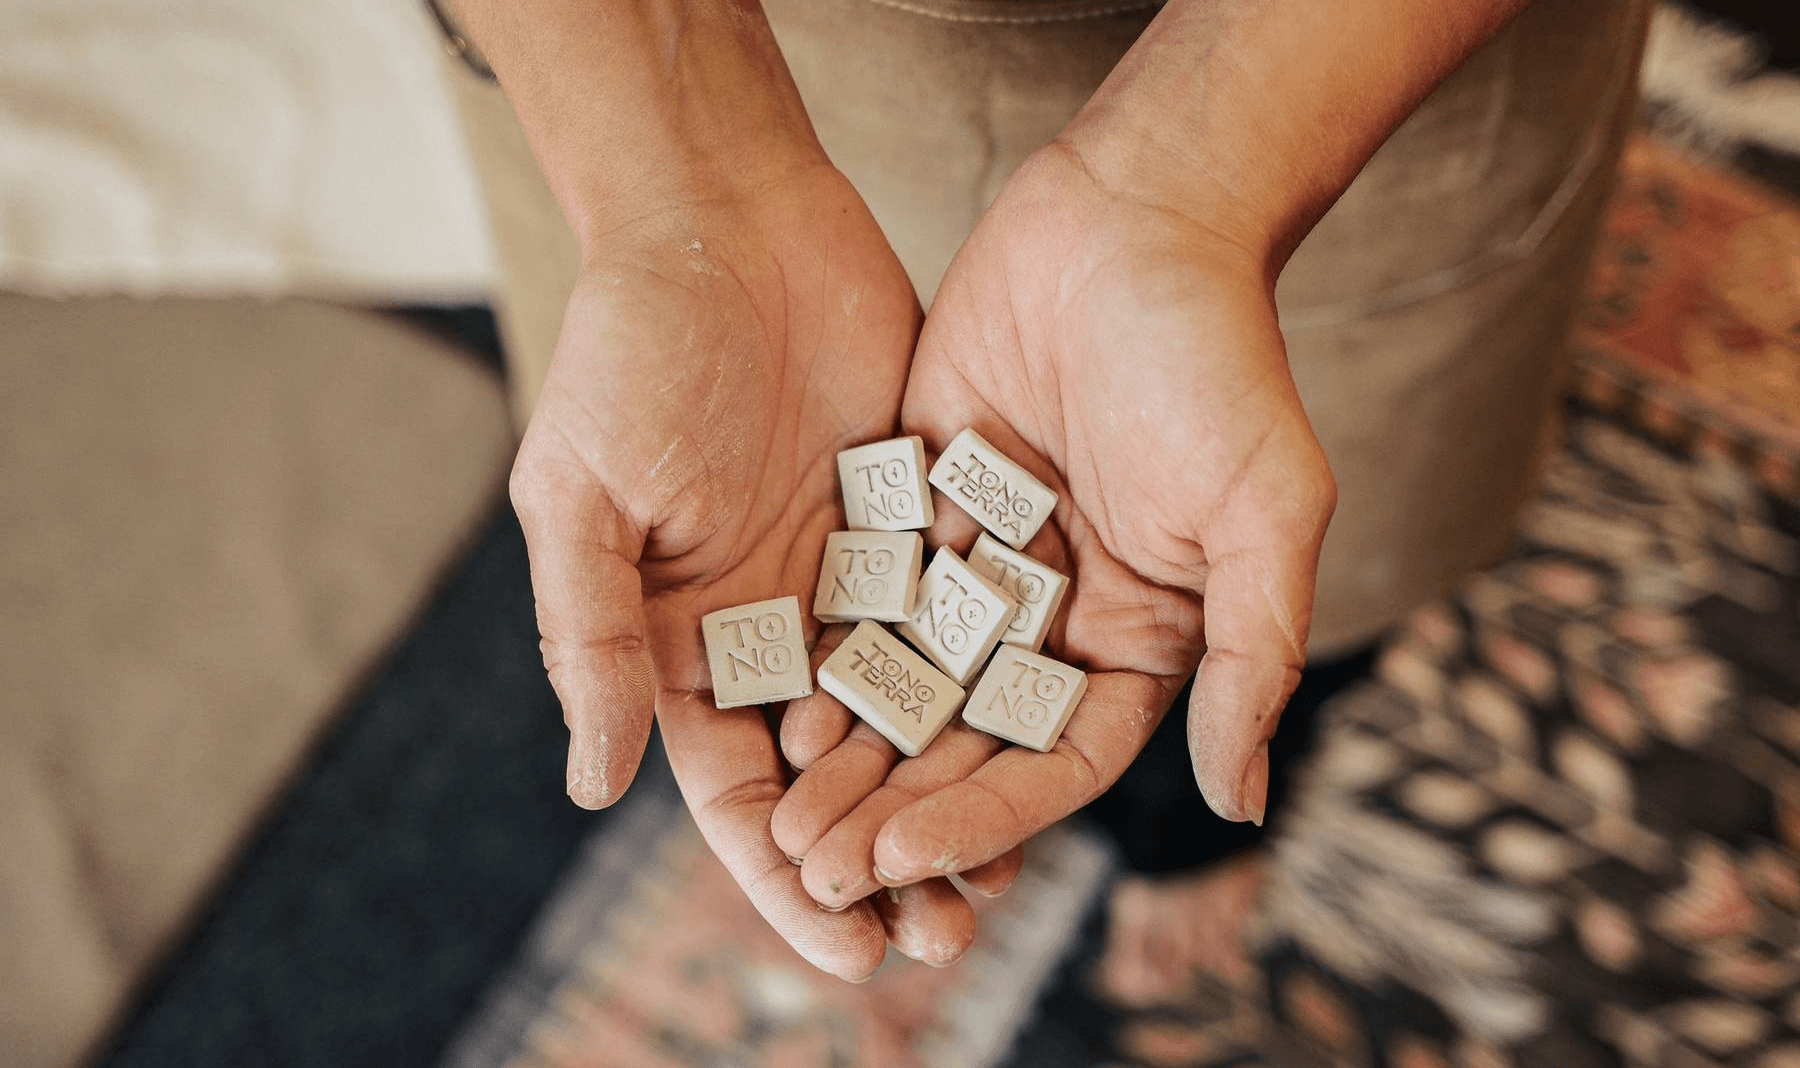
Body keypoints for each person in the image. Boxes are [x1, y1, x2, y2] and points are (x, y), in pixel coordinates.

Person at [445, 0, 1648, 986]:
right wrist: (672, 190)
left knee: (1282, 586)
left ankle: (1182, 824)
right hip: (665, 81)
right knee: (1143, 602)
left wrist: (1197, 185)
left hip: (1338, 77)